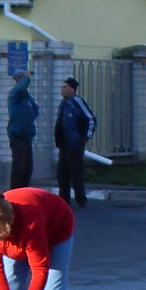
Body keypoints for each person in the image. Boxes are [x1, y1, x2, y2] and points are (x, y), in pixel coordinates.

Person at [55, 76, 96, 207]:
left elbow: (90, 119)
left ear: (72, 89)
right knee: (62, 173)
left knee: (76, 172)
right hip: (64, 143)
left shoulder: (77, 102)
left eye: (65, 87)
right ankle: (64, 200)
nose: (62, 90)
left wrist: (85, 138)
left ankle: (80, 199)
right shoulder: (63, 103)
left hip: (75, 144)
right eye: (62, 87)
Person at [7, 68, 39, 190]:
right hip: (17, 134)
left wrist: (29, 121)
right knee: (19, 165)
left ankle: (24, 189)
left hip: (27, 135)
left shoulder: (27, 97)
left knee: (27, 166)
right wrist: (27, 77)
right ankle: (15, 190)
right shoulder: (14, 94)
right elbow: (21, 87)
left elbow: (35, 110)